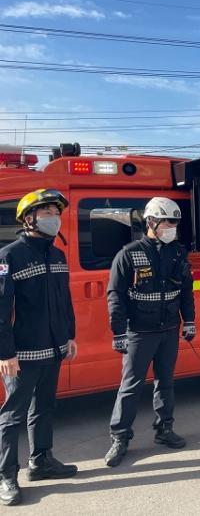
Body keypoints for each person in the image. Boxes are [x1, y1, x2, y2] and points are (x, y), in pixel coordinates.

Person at [104, 197, 195, 467]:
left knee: (165, 382)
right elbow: (115, 295)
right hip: (139, 331)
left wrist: (189, 320)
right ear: (151, 222)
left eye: (175, 224)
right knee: (131, 386)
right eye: (167, 223)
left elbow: (186, 291)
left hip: (169, 328)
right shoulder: (129, 254)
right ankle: (120, 437)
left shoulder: (178, 253)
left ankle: (164, 429)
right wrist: (118, 332)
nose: (172, 228)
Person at [0, 189, 78, 506]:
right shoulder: (9, 256)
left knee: (45, 408)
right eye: (47, 213)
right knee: (12, 416)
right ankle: (6, 476)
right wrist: (5, 353)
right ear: (29, 219)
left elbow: (64, 300)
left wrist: (69, 336)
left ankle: (42, 461)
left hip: (54, 348)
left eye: (56, 213)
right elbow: (1, 310)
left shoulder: (57, 255)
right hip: (22, 354)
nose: (54, 218)